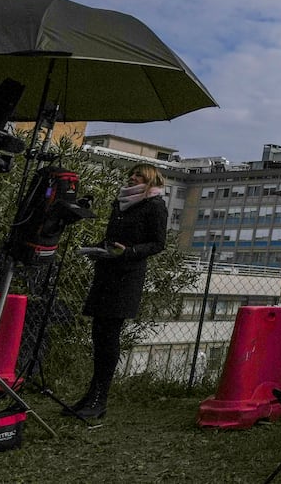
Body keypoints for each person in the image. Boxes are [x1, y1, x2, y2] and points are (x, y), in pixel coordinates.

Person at [74, 164, 168, 422]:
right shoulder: (120, 202)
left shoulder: (154, 205)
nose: (132, 177)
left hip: (126, 276)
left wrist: (128, 252)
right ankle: (90, 395)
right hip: (107, 270)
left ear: (150, 181)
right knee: (98, 334)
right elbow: (113, 236)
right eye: (132, 174)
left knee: (109, 336)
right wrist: (98, 249)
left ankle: (99, 398)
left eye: (139, 175)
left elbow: (158, 243)